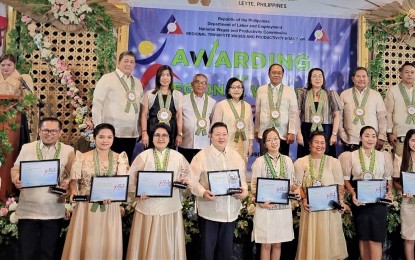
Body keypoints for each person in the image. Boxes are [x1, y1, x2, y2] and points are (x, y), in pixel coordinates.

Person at [61, 123, 129, 259]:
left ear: (114, 138)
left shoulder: (120, 158)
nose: (105, 140)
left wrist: (115, 197)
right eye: (101, 137)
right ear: (94, 138)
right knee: (87, 241)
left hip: (110, 207)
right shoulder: (82, 156)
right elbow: (74, 181)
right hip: (86, 206)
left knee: (107, 244)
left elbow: (123, 185)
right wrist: (74, 191)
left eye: (109, 137)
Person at [10, 117, 75, 260]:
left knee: (48, 252)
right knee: (26, 252)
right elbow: (15, 170)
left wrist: (67, 183)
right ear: (39, 131)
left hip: (53, 210)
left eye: (53, 130)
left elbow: (72, 176)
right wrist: (17, 180)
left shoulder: (68, 151)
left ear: (60, 133)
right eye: (45, 130)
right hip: (28, 210)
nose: (49, 133)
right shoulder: (27, 148)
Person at [126, 123, 190, 259]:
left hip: (170, 208)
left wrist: (184, 183)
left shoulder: (178, 157)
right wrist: (137, 194)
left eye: (164, 135)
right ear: (151, 137)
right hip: (147, 208)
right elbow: (131, 181)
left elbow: (188, 180)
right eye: (157, 135)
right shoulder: (143, 156)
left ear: (169, 138)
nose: (161, 138)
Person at [190, 122, 248, 260]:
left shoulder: (236, 156)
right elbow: (191, 181)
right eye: (217, 134)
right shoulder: (201, 156)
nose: (221, 137)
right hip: (209, 211)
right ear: (210, 136)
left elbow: (243, 180)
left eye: (224, 134)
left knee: (225, 251)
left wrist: (244, 192)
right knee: (207, 252)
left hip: (230, 212)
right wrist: (203, 192)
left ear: (228, 136)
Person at [339, 126, 393, 260]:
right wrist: (353, 194)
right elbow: (346, 180)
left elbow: (388, 180)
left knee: (376, 238)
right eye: (367, 135)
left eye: (373, 136)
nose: (371, 139)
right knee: (363, 237)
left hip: (378, 202)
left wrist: (389, 193)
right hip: (360, 201)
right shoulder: (351, 156)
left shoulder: (383, 156)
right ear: (360, 138)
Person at [294, 131, 347, 260]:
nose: (320, 145)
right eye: (316, 142)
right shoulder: (300, 162)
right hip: (310, 210)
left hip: (329, 211)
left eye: (322, 143)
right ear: (310, 145)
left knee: (329, 245)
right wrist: (304, 198)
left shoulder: (333, 162)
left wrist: (341, 202)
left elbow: (340, 186)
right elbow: (297, 186)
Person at [251, 128, 298, 260]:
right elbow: (254, 186)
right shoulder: (259, 162)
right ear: (264, 144)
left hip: (282, 210)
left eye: (276, 138)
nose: (273, 142)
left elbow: (291, 185)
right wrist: (261, 202)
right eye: (269, 140)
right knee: (266, 245)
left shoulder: (288, 160)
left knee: (277, 244)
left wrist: (294, 187)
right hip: (266, 209)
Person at [92, 50, 143, 163]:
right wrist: (99, 128)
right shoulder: (107, 78)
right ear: (118, 62)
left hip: (131, 133)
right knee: (109, 164)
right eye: (125, 61)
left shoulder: (137, 82)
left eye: (131, 62)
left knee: (125, 165)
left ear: (134, 65)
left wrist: (139, 129)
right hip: (111, 133)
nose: (128, 64)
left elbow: (139, 108)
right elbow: (97, 104)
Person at [0, 53, 34, 201]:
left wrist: (20, 100)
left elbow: (29, 99)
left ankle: (8, 191)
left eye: (9, 65)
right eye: (3, 65)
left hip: (13, 120)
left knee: (10, 155)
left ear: (14, 66)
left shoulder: (22, 78)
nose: (5, 68)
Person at [296, 68, 343, 158]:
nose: (318, 79)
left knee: (326, 159)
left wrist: (334, 134)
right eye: (314, 76)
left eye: (320, 76)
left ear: (323, 79)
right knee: (305, 159)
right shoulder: (302, 93)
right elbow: (296, 115)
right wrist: (298, 133)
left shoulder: (330, 94)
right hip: (306, 131)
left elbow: (336, 115)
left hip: (326, 131)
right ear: (310, 79)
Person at [339, 67, 387, 151]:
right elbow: (339, 117)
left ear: (368, 79)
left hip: (371, 141)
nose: (361, 79)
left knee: (372, 164)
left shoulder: (376, 95)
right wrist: (342, 135)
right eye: (358, 76)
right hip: (351, 140)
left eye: (364, 76)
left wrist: (381, 136)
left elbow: (382, 117)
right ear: (353, 79)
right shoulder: (344, 95)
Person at [255, 63, 298, 156]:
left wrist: (291, 131)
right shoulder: (261, 90)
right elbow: (258, 112)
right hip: (264, 131)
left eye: (279, 73)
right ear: (269, 74)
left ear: (283, 75)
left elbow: (293, 113)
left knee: (282, 162)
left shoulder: (289, 91)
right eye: (273, 72)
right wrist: (257, 129)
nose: (276, 75)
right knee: (265, 160)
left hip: (283, 133)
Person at [211, 77, 254, 164]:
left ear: (242, 90)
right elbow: (214, 128)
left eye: (239, 87)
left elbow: (250, 127)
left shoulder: (247, 106)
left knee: (241, 170)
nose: (236, 90)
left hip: (243, 144)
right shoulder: (221, 105)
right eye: (233, 87)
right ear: (228, 90)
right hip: (226, 144)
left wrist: (250, 145)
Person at [141, 65, 183, 149]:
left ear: (171, 78)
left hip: (171, 132)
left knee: (169, 158)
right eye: (162, 75)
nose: (165, 78)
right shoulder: (149, 94)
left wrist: (179, 134)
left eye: (168, 75)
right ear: (158, 77)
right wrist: (144, 132)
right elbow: (144, 115)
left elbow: (179, 116)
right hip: (152, 131)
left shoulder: (177, 94)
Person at [179, 73, 216, 163]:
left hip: (204, 145)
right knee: (185, 172)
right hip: (185, 143)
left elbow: (213, 122)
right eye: (197, 82)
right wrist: (179, 134)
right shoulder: (183, 99)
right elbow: (178, 118)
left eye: (203, 83)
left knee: (201, 172)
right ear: (192, 84)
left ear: (206, 86)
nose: (200, 85)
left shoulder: (212, 102)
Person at [392, 129, 415, 260]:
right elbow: (395, 182)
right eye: (413, 140)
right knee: (409, 238)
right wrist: (405, 190)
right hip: (408, 203)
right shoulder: (400, 160)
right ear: (407, 142)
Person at [385, 61, 415, 156]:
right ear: (400, 74)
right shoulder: (393, 90)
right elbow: (388, 113)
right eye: (406, 72)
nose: (409, 74)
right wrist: (389, 132)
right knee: (400, 166)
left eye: (412, 72)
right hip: (400, 136)